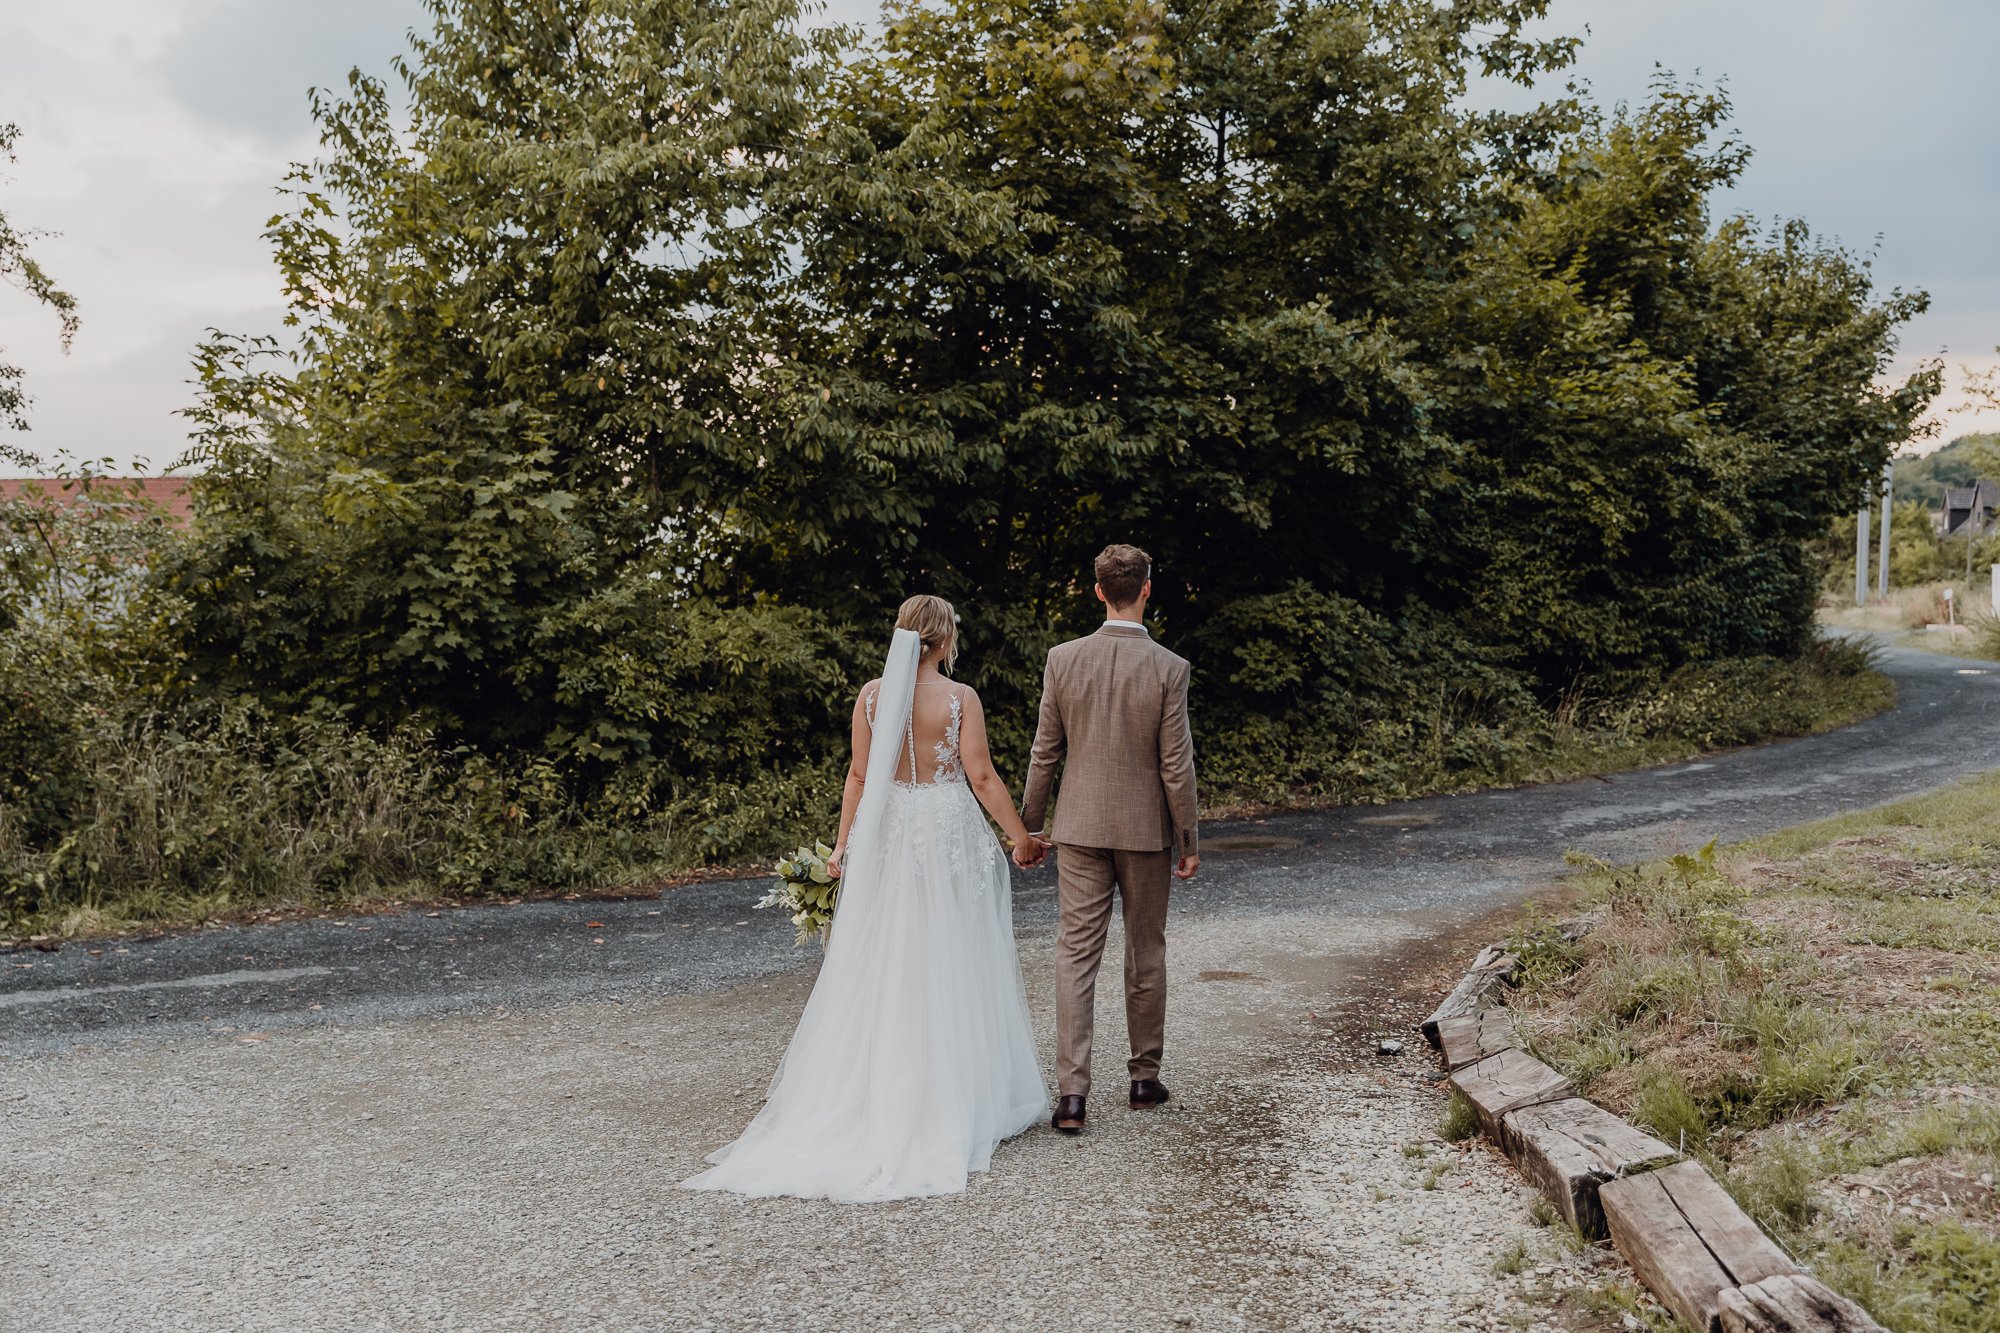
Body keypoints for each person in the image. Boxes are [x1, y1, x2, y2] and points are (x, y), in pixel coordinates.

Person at [683, 595, 1050, 1202]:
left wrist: (841, 847)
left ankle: (879, 1088)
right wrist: (1020, 837)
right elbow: (981, 777)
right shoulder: (961, 700)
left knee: (889, 951)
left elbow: (858, 775)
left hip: (890, 831)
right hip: (943, 828)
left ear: (905, 637)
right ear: (943, 641)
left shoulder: (871, 696)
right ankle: (948, 1093)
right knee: (948, 949)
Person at [1021, 544, 1199, 1136]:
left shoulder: (1063, 659)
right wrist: (1188, 836)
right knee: (1145, 952)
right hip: (1146, 831)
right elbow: (1176, 765)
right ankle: (1144, 1080)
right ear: (1147, 587)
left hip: (1078, 827)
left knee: (1076, 954)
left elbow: (1045, 749)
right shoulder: (1169, 668)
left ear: (1098, 590)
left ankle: (1072, 1096)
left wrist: (1031, 825)